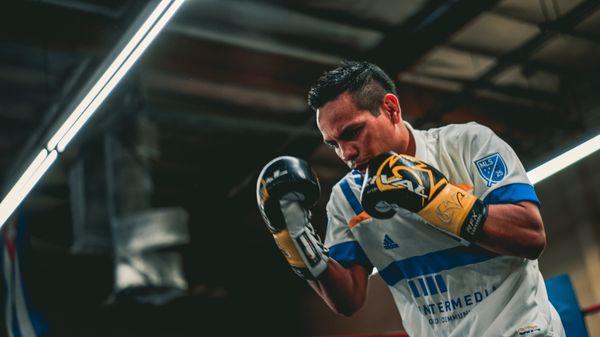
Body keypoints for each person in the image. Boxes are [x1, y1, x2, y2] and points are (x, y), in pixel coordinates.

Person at [256, 61, 565, 337]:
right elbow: (347, 299)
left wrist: (434, 197)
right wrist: (295, 240)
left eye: (353, 132)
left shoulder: (467, 145)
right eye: (333, 144)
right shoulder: (347, 198)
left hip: (522, 329)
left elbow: (531, 236)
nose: (346, 153)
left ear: (391, 109)